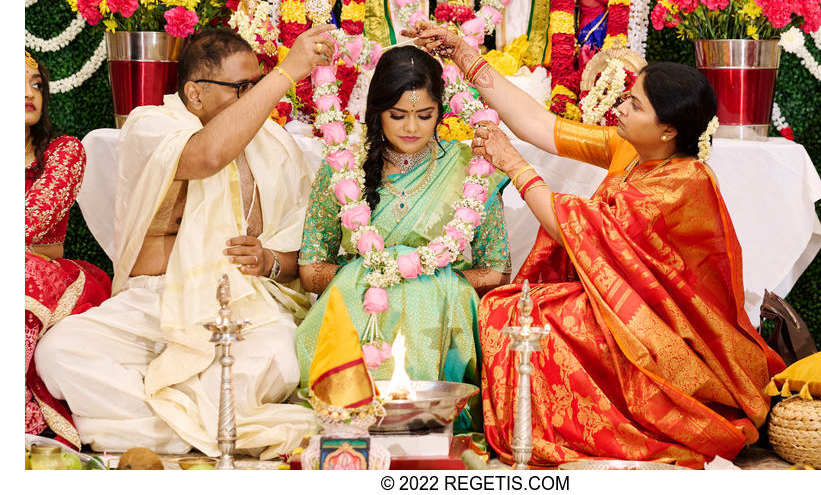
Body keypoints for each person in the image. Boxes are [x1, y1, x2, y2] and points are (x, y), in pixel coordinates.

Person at [405, 21, 785, 468]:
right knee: (517, 307)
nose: (620, 107)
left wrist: (513, 164)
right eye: (627, 96)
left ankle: (570, 431)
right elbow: (536, 123)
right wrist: (461, 51)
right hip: (622, 307)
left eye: (635, 104)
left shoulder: (684, 182)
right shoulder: (633, 149)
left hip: (668, 335)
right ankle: (523, 424)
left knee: (523, 313)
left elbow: (580, 227)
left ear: (667, 130)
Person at [34, 25, 337, 459]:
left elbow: (301, 255)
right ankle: (189, 432)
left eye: (256, 83)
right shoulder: (150, 125)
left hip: (239, 305)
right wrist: (286, 72)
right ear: (195, 93)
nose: (256, 96)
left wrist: (270, 260)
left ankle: (156, 432)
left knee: (279, 358)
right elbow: (207, 156)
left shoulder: (276, 145)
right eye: (242, 87)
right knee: (61, 351)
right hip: (152, 306)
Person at [295, 45, 511, 430]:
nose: (411, 128)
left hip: (445, 321)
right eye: (397, 115)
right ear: (377, 111)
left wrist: (431, 279)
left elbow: (496, 272)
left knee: (426, 288)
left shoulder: (470, 168)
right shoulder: (341, 168)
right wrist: (372, 273)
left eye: (424, 115)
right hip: (360, 316)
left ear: (440, 113)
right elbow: (311, 270)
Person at [25, 50, 112, 448]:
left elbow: (34, 219)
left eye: (36, 84)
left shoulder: (64, 151)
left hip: (49, 277)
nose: (30, 92)